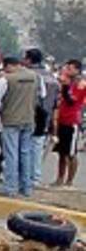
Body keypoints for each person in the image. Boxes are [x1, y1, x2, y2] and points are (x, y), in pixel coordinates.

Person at [0, 56, 39, 198]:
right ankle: (26, 188)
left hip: (11, 120)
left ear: (9, 66)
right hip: (28, 119)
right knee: (26, 154)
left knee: (11, 154)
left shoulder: (7, 79)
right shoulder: (35, 77)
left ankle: (10, 187)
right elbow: (41, 95)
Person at [53, 59, 86, 188]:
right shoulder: (67, 83)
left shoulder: (80, 84)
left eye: (70, 69)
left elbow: (72, 101)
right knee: (62, 152)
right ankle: (59, 178)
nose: (67, 71)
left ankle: (69, 180)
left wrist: (65, 87)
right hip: (62, 119)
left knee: (71, 153)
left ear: (77, 70)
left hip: (72, 121)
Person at [26, 48, 57, 187]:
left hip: (28, 115)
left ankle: (25, 176)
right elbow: (55, 103)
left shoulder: (28, 76)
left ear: (28, 59)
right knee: (37, 148)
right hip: (45, 117)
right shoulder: (52, 79)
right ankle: (35, 177)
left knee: (24, 147)